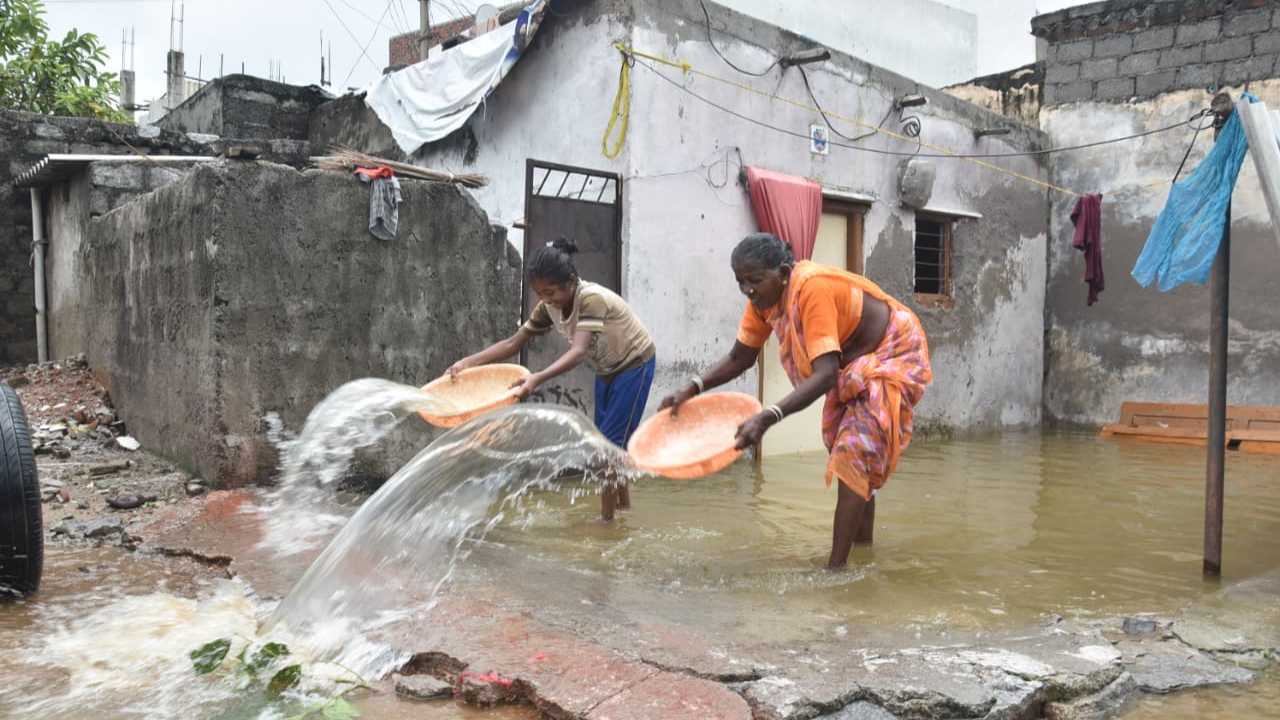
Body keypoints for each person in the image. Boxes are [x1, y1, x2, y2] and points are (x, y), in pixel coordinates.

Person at [660, 233, 931, 568]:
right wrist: (693, 387)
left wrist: (767, 417)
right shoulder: (763, 303)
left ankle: (836, 571)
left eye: (755, 280)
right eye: (740, 281)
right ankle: (863, 550)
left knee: (854, 452)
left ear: (784, 273)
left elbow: (826, 374)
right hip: (852, 365)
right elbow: (741, 357)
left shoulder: (811, 289)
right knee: (855, 455)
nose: (747, 289)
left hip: (892, 352)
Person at [447, 238, 657, 521]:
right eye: (539, 293)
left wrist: (537, 378)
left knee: (605, 449)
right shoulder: (548, 308)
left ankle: (607, 524)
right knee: (608, 445)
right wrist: (467, 362)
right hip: (607, 370)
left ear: (571, 281)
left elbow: (579, 351)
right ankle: (623, 508)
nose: (545, 299)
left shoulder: (590, 299)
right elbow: (513, 343)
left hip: (634, 365)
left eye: (550, 292)